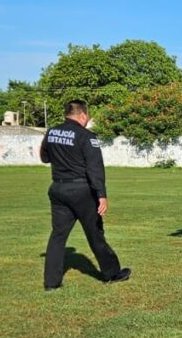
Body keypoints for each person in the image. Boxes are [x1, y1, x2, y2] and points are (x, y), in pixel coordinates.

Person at [40, 100, 130, 290]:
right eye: (87, 116)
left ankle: (51, 283)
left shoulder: (52, 132)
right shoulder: (87, 136)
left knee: (58, 236)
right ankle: (112, 273)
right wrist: (102, 195)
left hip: (58, 189)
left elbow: (44, 157)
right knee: (95, 233)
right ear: (82, 115)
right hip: (82, 191)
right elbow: (95, 168)